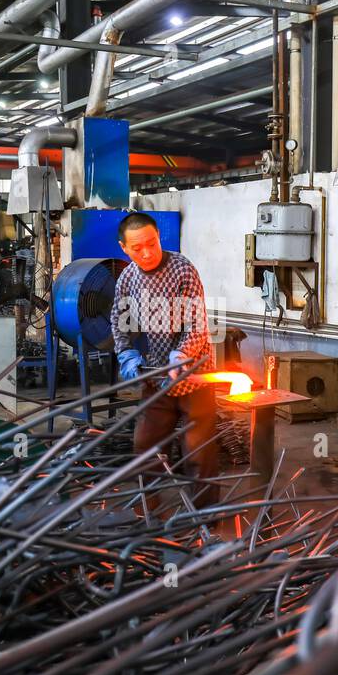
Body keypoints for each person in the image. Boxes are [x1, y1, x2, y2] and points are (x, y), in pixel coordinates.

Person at [109, 212, 218, 506]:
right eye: (137, 248)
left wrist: (181, 354)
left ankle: (206, 517)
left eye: (151, 243)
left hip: (193, 374)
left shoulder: (183, 269)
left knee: (199, 449)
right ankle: (148, 511)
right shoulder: (127, 279)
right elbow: (120, 321)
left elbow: (197, 324)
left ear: (159, 237)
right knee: (146, 446)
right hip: (156, 377)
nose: (146, 253)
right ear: (124, 248)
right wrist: (126, 352)